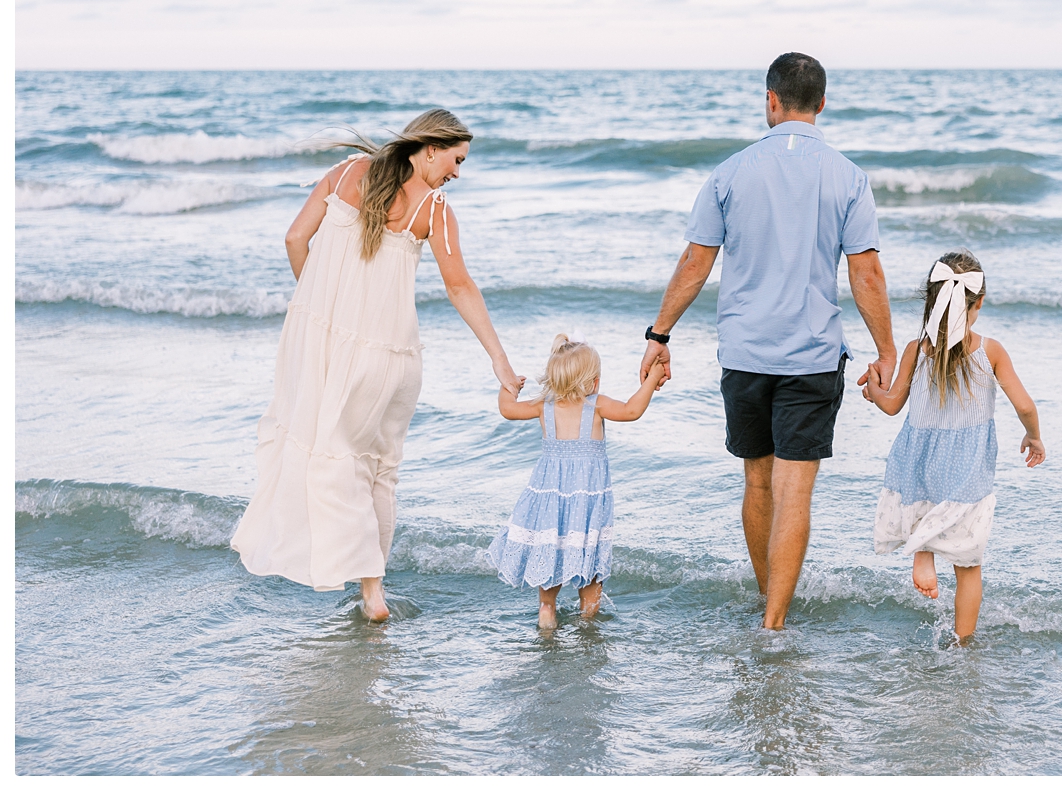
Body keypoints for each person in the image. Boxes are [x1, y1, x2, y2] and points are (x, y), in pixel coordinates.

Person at [231, 108, 524, 622]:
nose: (457, 173)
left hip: (322, 346)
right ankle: (374, 591)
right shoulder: (433, 208)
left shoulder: (346, 173)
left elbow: (294, 240)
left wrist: (316, 309)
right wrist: (499, 360)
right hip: (390, 357)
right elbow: (460, 287)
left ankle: (354, 579)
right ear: (430, 148)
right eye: (456, 160)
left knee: (329, 455)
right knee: (379, 471)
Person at [639, 52, 896, 631]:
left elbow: (694, 261)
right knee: (794, 492)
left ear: (771, 101)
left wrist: (660, 334)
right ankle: (775, 621)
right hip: (810, 356)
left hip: (745, 354)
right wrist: (887, 350)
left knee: (756, 480)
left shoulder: (730, 172)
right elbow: (867, 273)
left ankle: (767, 601)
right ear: (822, 104)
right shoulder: (848, 176)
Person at [864, 249, 1046, 644]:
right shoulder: (990, 351)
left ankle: (922, 552)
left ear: (930, 298)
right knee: (969, 568)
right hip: (966, 472)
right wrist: (1033, 435)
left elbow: (893, 405)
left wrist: (874, 389)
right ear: (979, 302)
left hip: (919, 465)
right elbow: (1025, 405)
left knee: (926, 505)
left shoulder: (917, 349)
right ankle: (963, 644)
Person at [485, 332, 669, 630]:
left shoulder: (543, 405)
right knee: (589, 552)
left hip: (550, 499)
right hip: (587, 502)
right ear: (592, 381)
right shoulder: (596, 404)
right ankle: (587, 617)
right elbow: (632, 410)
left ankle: (547, 608)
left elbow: (507, 409)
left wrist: (510, 388)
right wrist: (652, 379)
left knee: (551, 545)